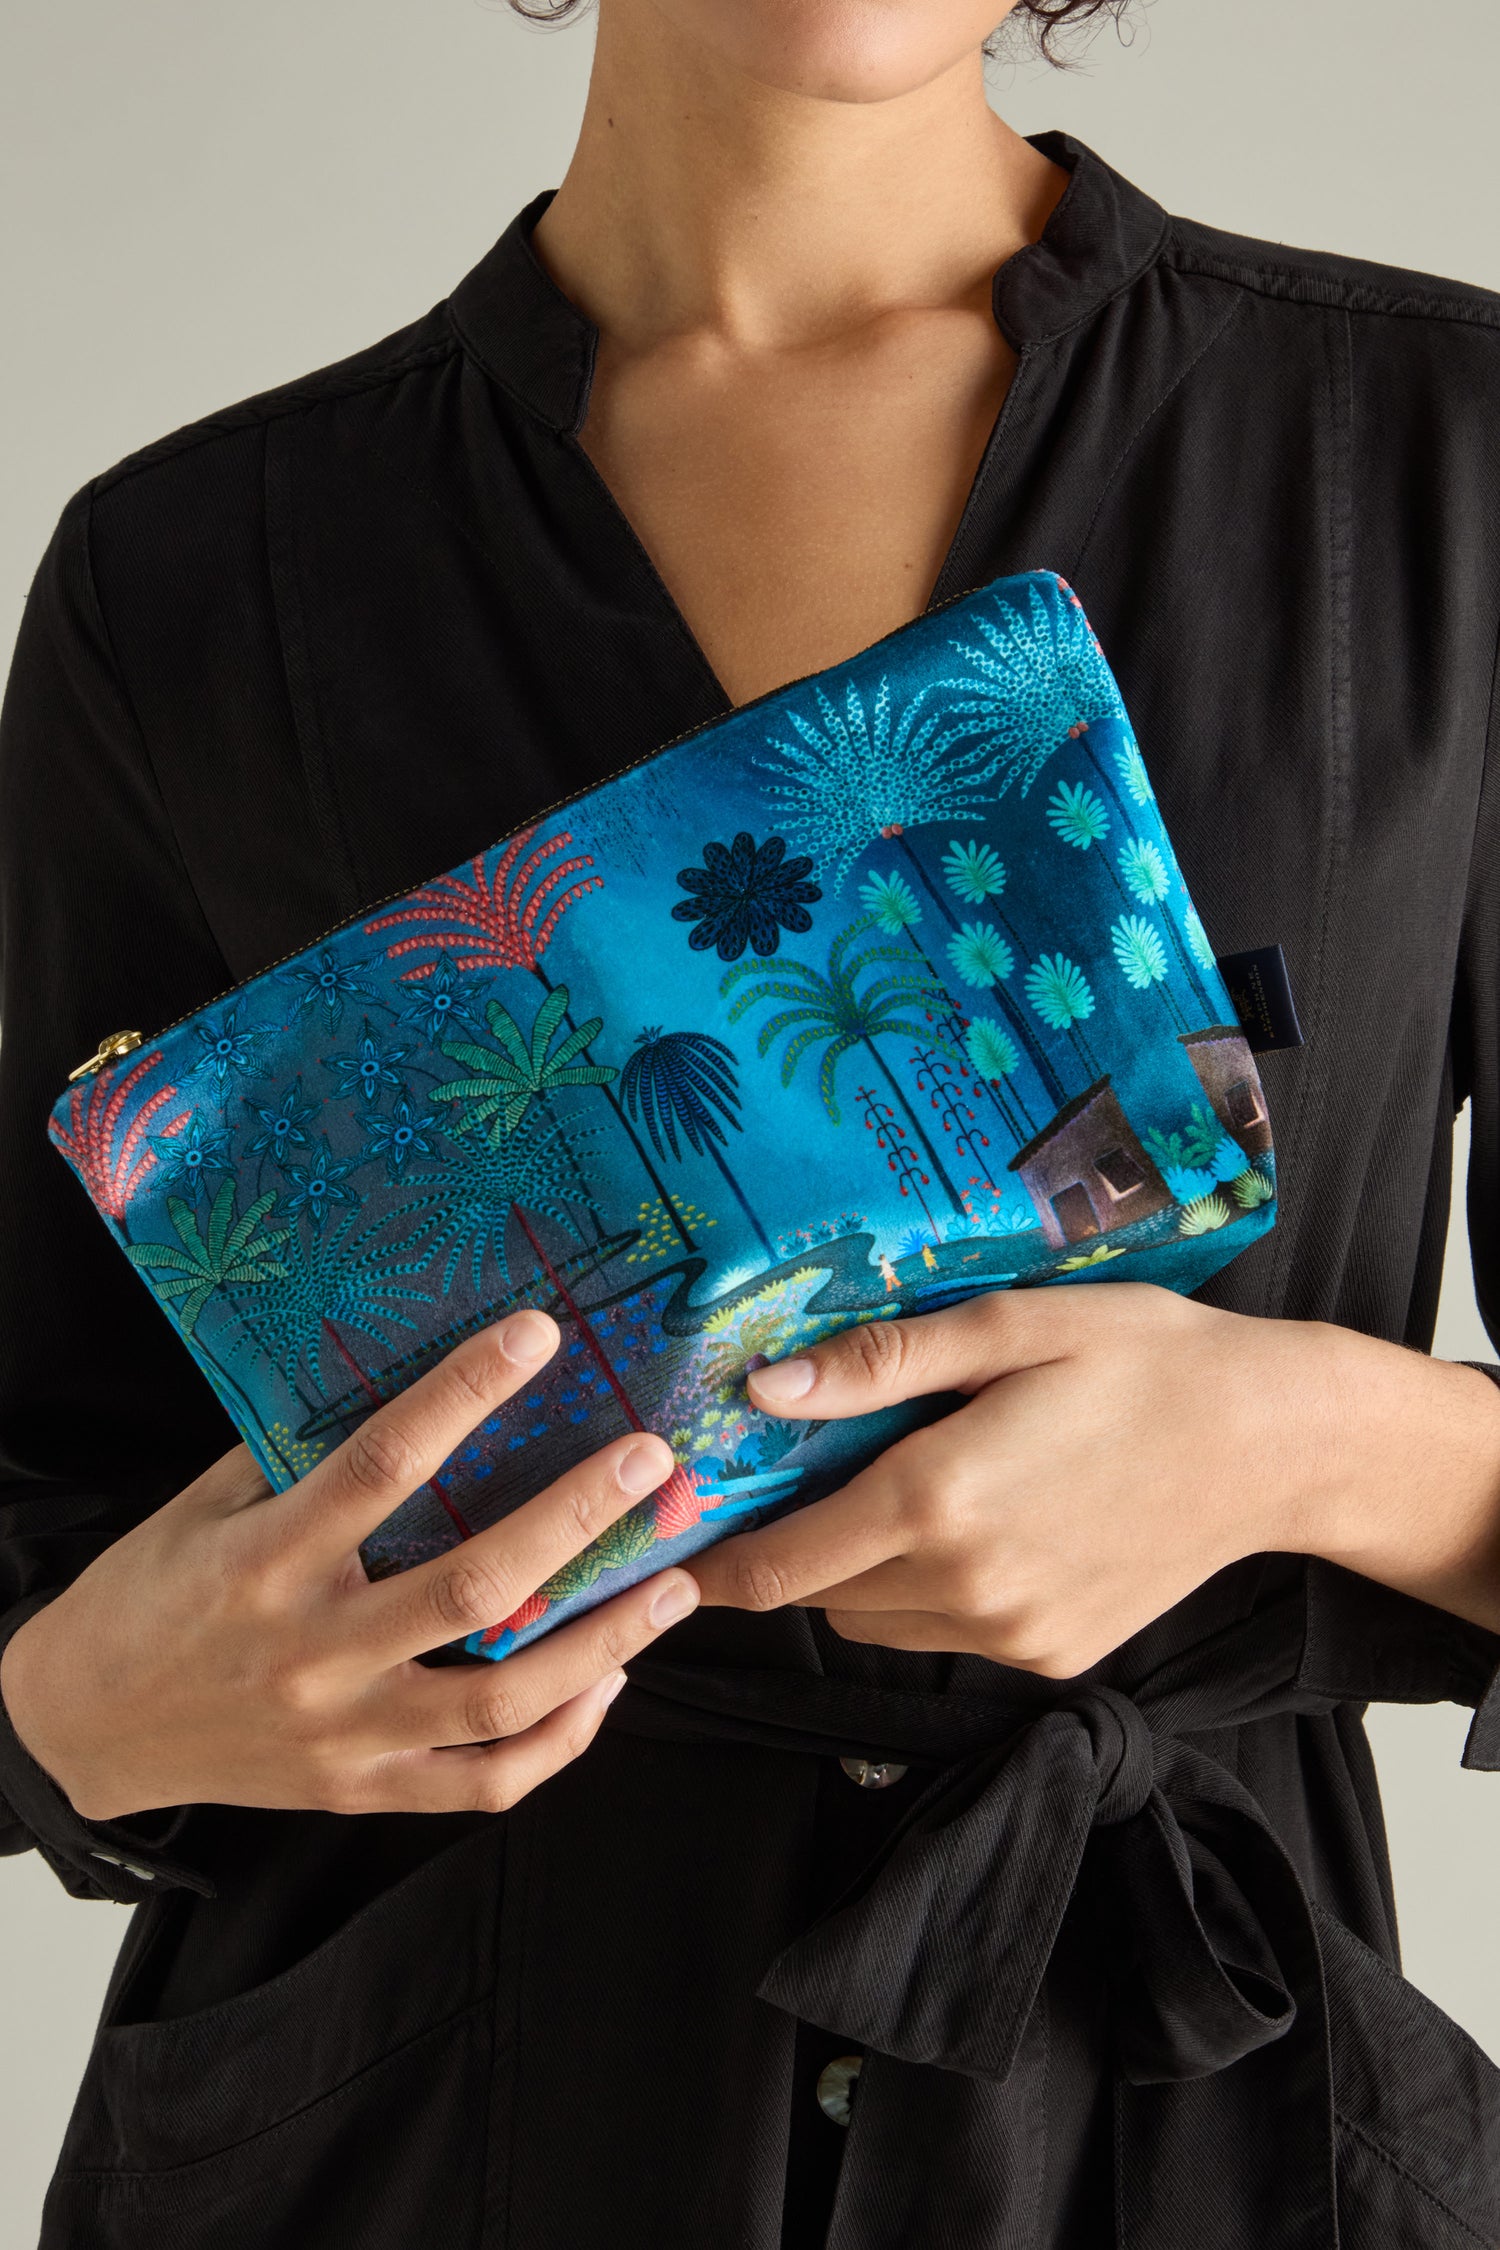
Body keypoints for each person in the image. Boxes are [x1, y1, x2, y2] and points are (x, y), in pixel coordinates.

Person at [2, 1, 1500, 2242]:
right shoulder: (191, 574)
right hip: (418, 2122)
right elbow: (44, 1494)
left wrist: (1305, 1446)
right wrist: (76, 1718)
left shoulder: (1441, 464)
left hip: (1193, 2115)